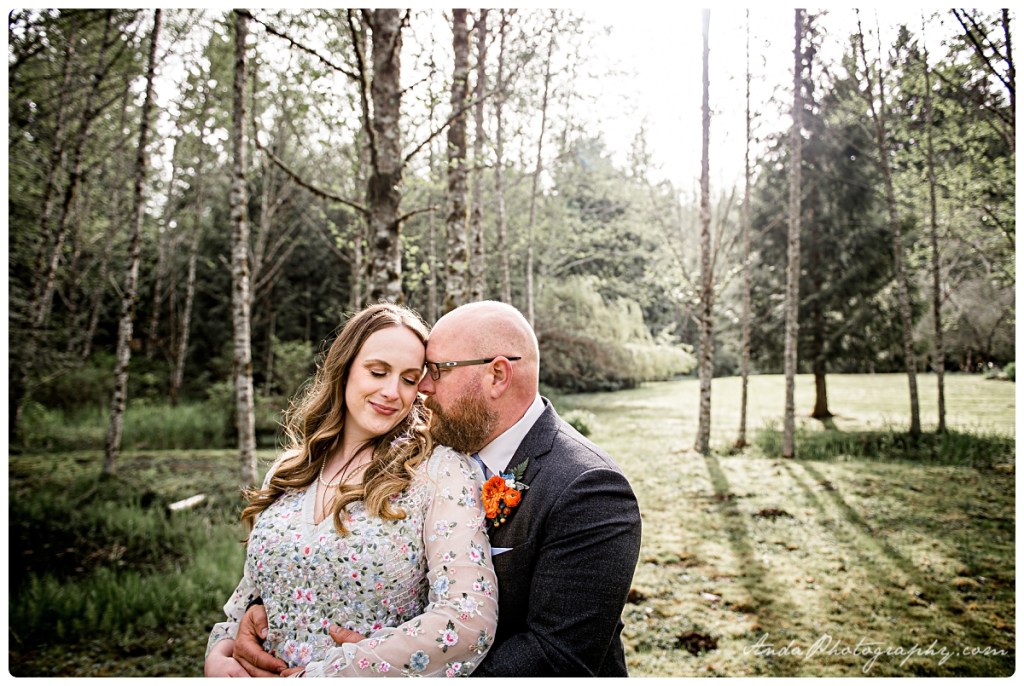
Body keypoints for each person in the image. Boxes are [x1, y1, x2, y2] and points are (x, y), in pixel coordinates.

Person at [233, 300, 642, 677]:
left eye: (434, 371)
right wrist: (238, 635)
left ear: (497, 375)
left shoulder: (588, 488)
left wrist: (382, 671)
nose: (421, 389)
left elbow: (558, 658)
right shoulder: (437, 450)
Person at [204, 303, 498, 678]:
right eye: (377, 372)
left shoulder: (438, 472)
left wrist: (330, 675)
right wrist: (220, 652)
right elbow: (249, 596)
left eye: (409, 379)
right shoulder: (289, 470)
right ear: (344, 369)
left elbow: (467, 619)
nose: (392, 392)